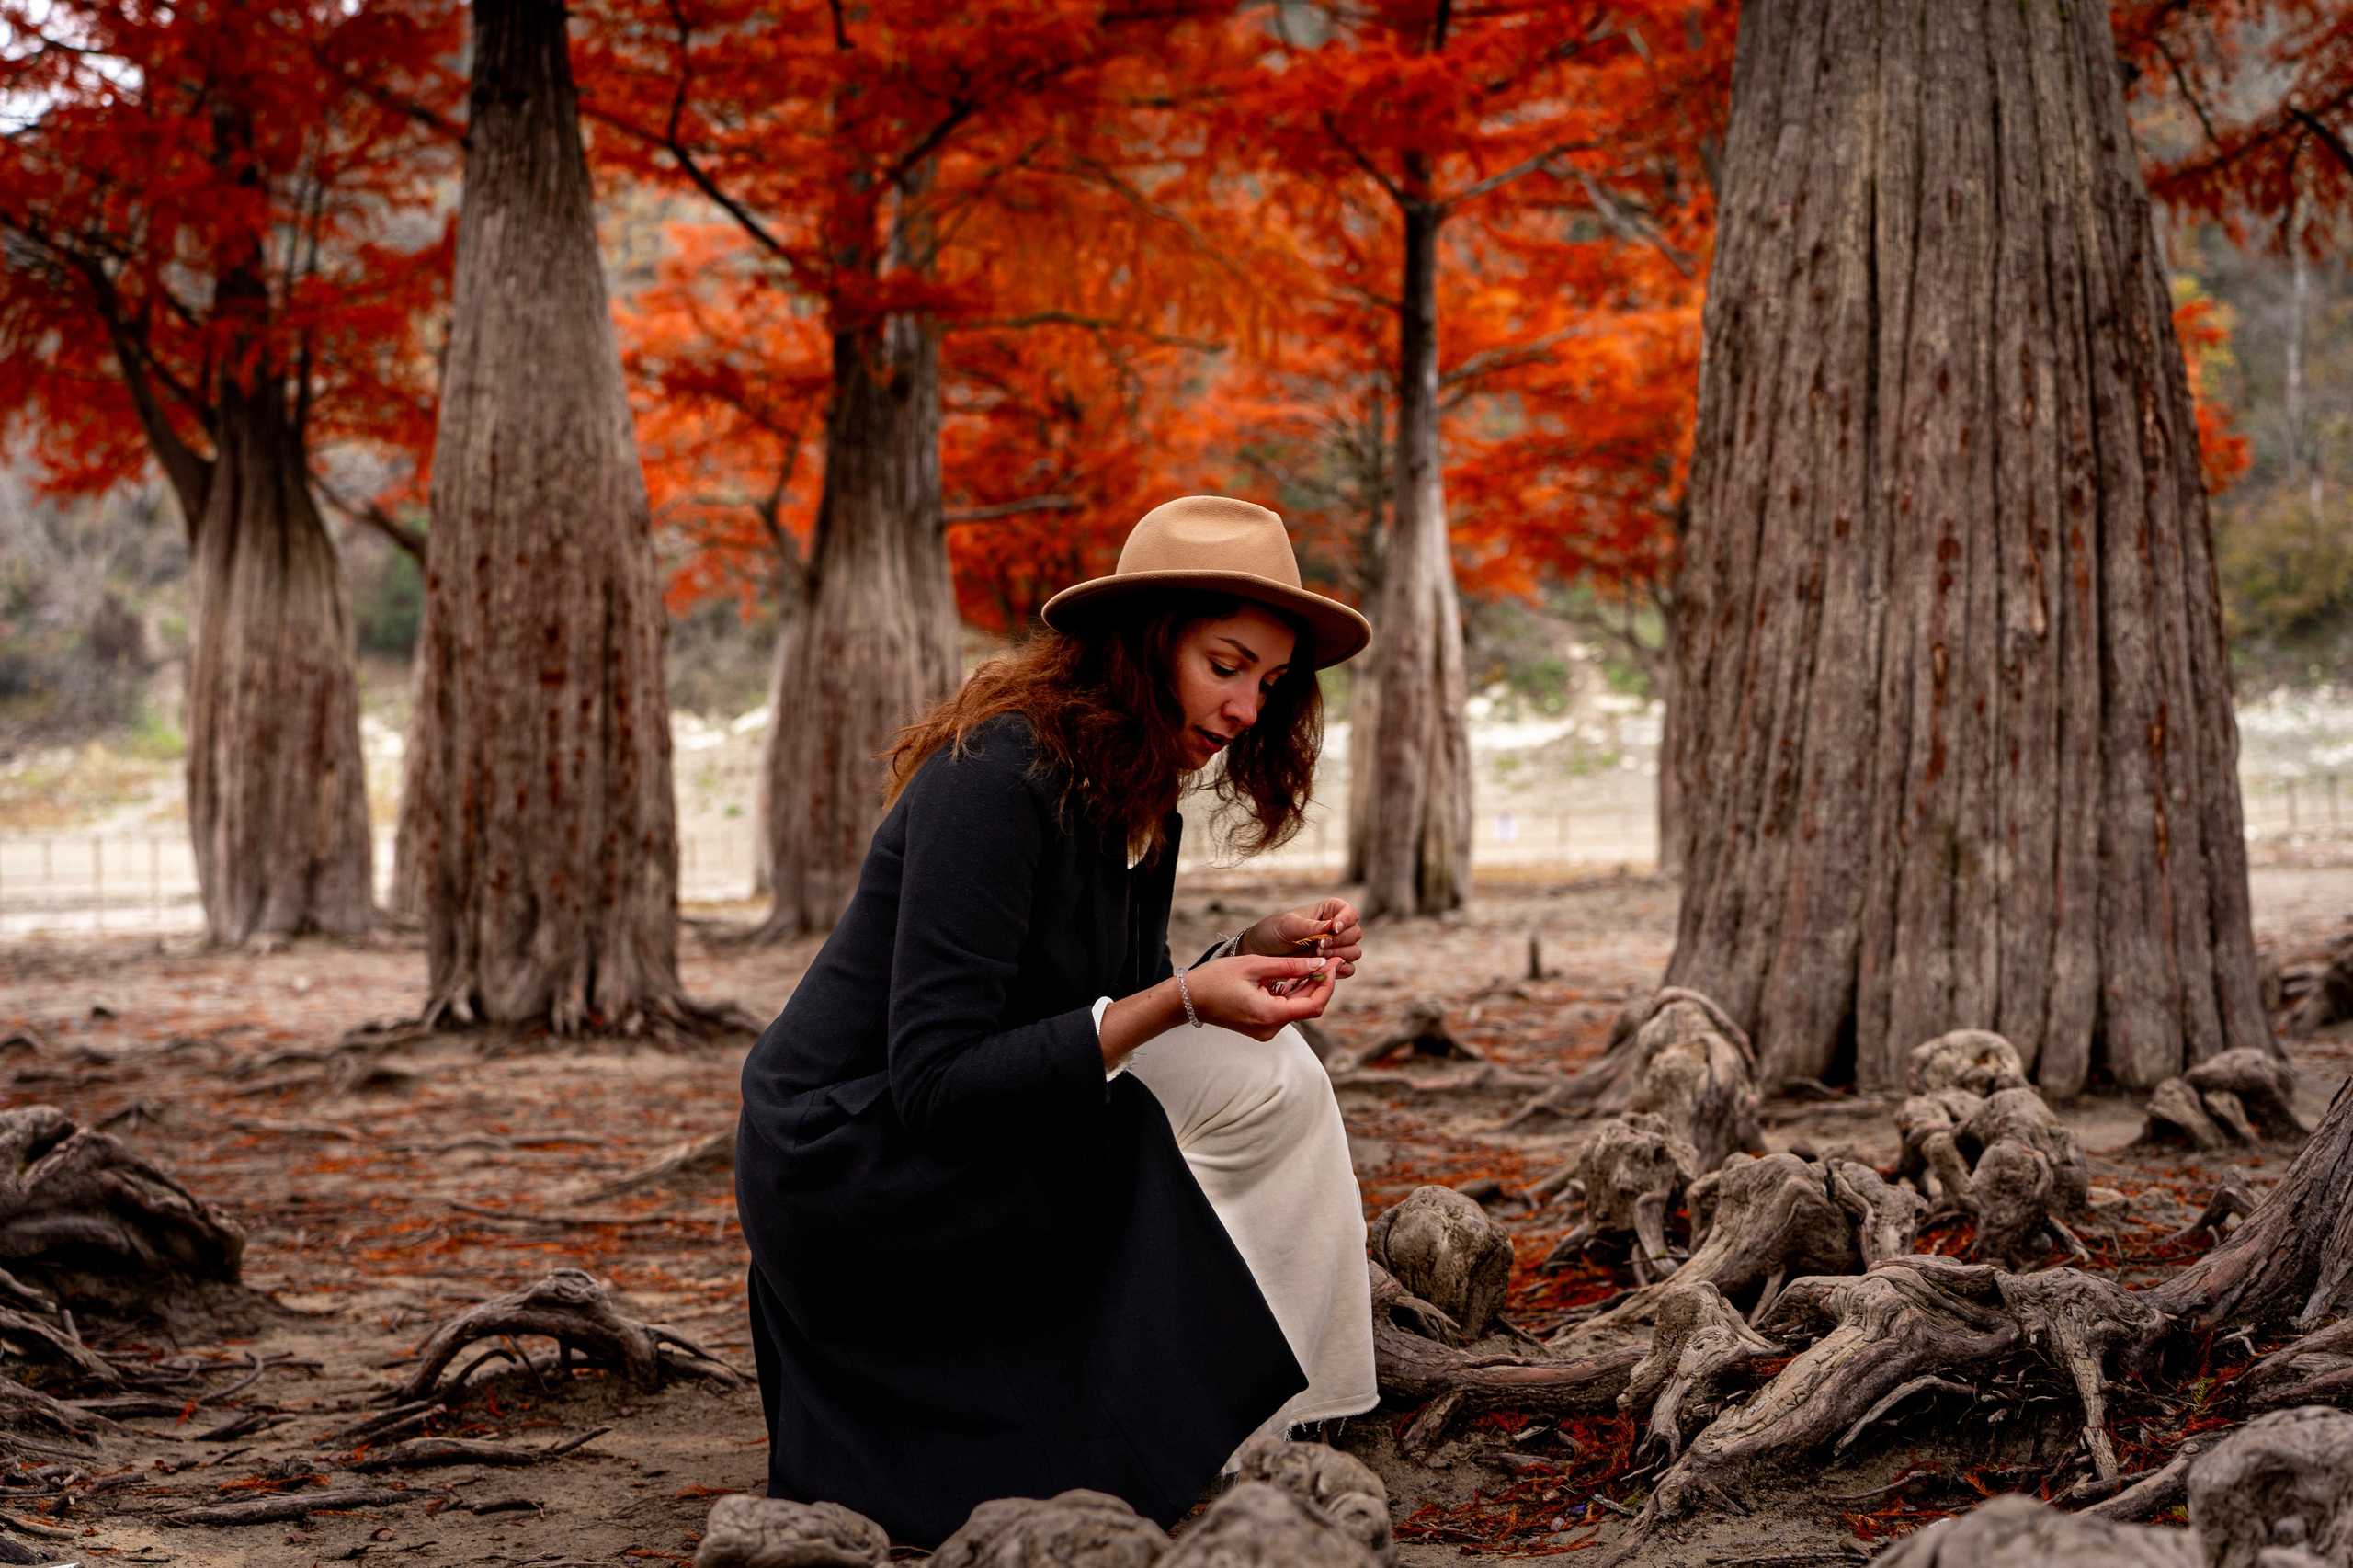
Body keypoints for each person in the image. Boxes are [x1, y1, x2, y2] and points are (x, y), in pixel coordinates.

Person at [735, 495, 1381, 1545]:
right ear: (1145, 643)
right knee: (1147, 1120)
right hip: (850, 1154)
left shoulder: (1140, 800)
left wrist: (1244, 951)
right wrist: (1182, 1001)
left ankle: (1286, 1415)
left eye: (1268, 682)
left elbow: (1112, 1000)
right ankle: (1153, 1416)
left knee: (1277, 1073)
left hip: (969, 1109)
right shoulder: (994, 777)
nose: (1246, 708)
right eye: (1226, 665)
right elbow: (938, 1082)